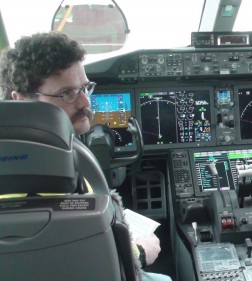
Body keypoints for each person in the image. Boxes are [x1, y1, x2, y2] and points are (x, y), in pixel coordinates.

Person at [0, 32, 171, 281]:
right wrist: (138, 252)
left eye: (85, 88)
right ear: (21, 100)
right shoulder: (56, 178)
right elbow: (70, 254)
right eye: (67, 93)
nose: (85, 103)